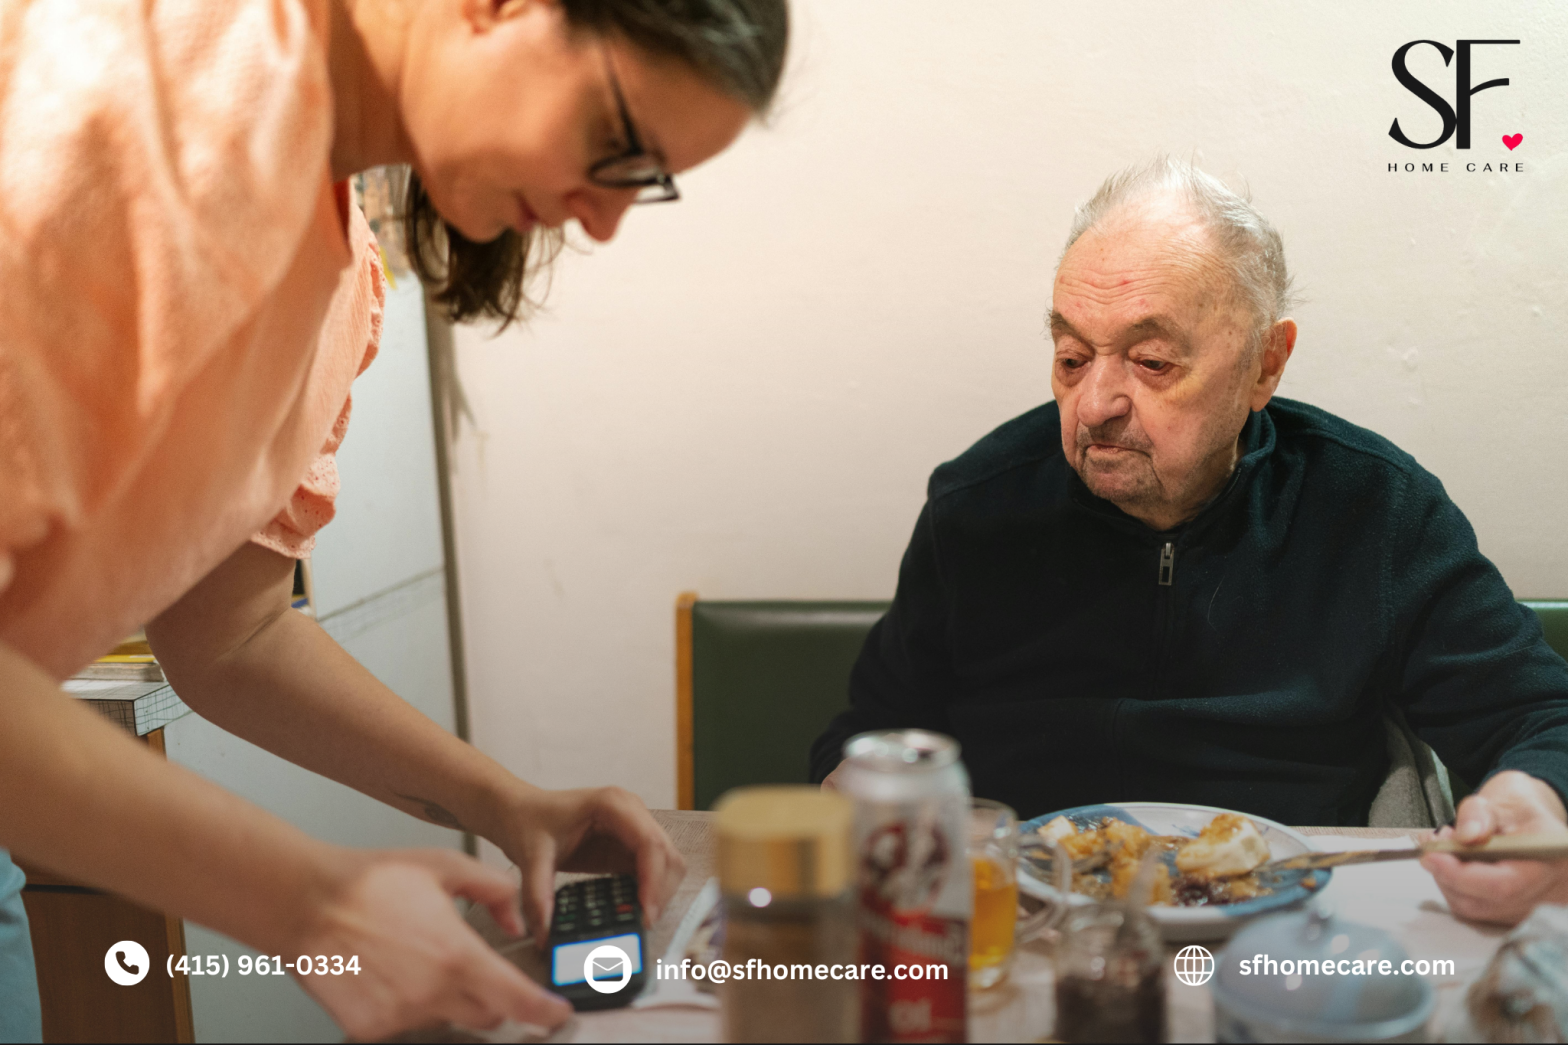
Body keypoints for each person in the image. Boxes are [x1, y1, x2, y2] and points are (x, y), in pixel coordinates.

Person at [0, 0, 787, 1038]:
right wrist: (308, 899)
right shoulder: (136, 99)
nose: (602, 222)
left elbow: (232, 634)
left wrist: (502, 803)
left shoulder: (335, 281)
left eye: (644, 185)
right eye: (616, 147)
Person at [810, 157, 1568, 927]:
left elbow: (1541, 719)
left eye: (1151, 361)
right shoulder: (978, 506)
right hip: (1028, 921)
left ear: (1264, 364)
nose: (1094, 403)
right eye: (1071, 357)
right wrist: (857, 782)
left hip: (1293, 923)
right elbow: (867, 733)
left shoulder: (1375, 509)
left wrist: (1532, 795)